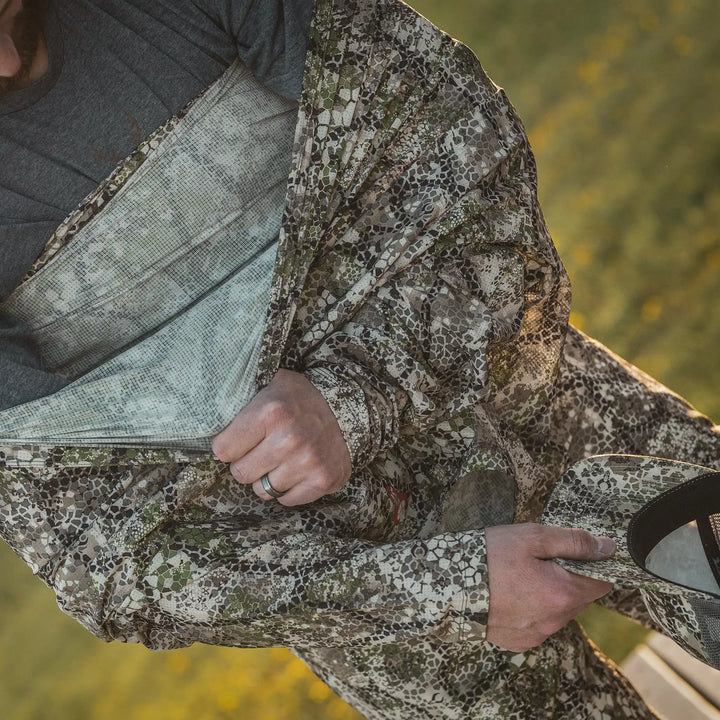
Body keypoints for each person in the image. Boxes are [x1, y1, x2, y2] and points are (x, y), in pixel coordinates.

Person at [1, 1, 718, 719]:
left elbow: (452, 143)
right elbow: (105, 549)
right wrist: (449, 590)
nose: (6, 63)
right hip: (370, 593)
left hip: (528, 398)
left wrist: (352, 399)